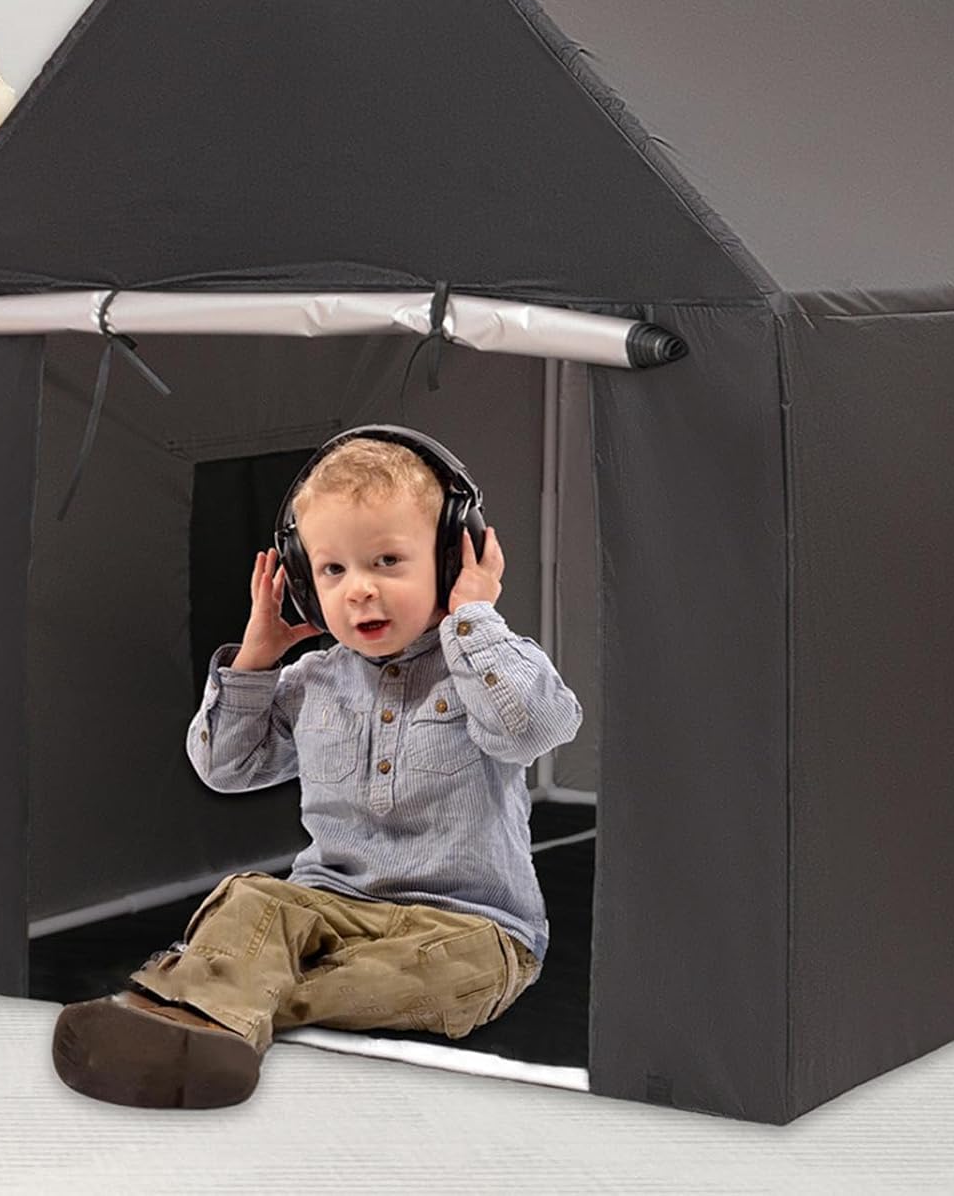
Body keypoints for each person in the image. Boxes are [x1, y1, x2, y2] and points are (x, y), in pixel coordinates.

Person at [52, 433, 583, 1108]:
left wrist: (474, 616)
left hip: (467, 930)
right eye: (332, 570)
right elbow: (225, 767)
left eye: (388, 561)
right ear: (303, 583)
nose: (359, 589)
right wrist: (255, 659)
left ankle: (200, 1008)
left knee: (427, 974)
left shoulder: (489, 665)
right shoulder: (312, 681)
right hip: (327, 906)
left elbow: (537, 729)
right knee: (252, 899)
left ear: (453, 559)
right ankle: (203, 1021)